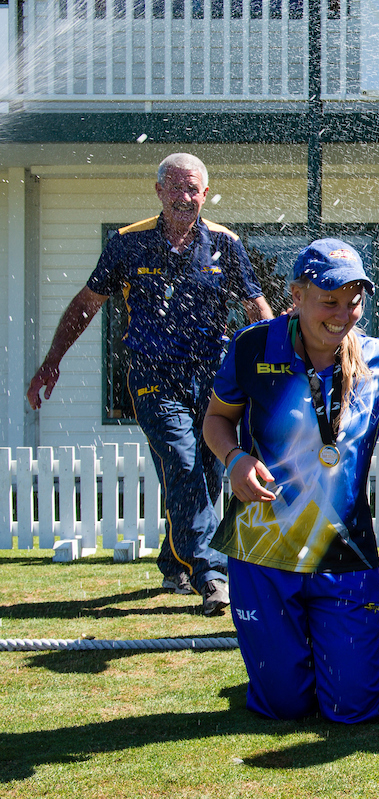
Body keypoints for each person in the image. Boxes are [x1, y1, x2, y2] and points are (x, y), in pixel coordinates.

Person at [26, 153, 272, 615]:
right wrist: (52, 362)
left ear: (205, 193)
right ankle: (212, 573)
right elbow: (86, 304)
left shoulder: (225, 243)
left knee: (207, 472)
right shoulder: (127, 243)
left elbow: (256, 309)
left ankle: (174, 561)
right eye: (175, 187)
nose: (184, 197)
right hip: (152, 377)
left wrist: (277, 363)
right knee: (181, 459)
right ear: (159, 191)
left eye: (192, 189)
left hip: (211, 377)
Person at [202, 240, 379, 723]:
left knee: (353, 707)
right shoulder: (252, 345)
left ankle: (360, 651)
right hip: (263, 549)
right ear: (297, 295)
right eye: (329, 300)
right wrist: (234, 459)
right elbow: (216, 420)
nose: (343, 314)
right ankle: (309, 659)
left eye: (354, 301)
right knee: (283, 707)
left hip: (342, 551)